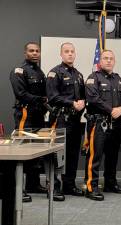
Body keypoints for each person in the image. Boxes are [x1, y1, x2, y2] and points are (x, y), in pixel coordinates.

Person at [84, 49, 121, 201]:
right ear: (100, 61)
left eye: (111, 58)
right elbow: (93, 98)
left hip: (115, 125)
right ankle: (91, 186)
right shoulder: (93, 78)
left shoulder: (119, 80)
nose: (108, 61)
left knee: (112, 156)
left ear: (114, 61)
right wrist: (111, 110)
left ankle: (110, 183)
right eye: (105, 58)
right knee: (94, 156)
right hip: (98, 123)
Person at [9, 42, 48, 202]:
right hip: (25, 113)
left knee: (36, 151)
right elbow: (21, 94)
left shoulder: (40, 72)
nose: (35, 53)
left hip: (38, 114)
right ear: (25, 53)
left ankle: (33, 184)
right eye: (31, 51)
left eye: (37, 51)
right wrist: (41, 100)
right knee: (23, 150)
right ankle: (19, 189)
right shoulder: (19, 71)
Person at [46, 42, 85, 200]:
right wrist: (71, 103)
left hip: (75, 120)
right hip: (60, 119)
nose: (70, 54)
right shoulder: (54, 73)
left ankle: (69, 185)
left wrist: (82, 103)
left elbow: (82, 97)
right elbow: (52, 96)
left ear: (75, 54)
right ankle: (54, 187)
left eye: (72, 51)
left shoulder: (79, 75)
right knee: (57, 154)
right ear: (61, 54)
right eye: (66, 51)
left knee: (73, 153)